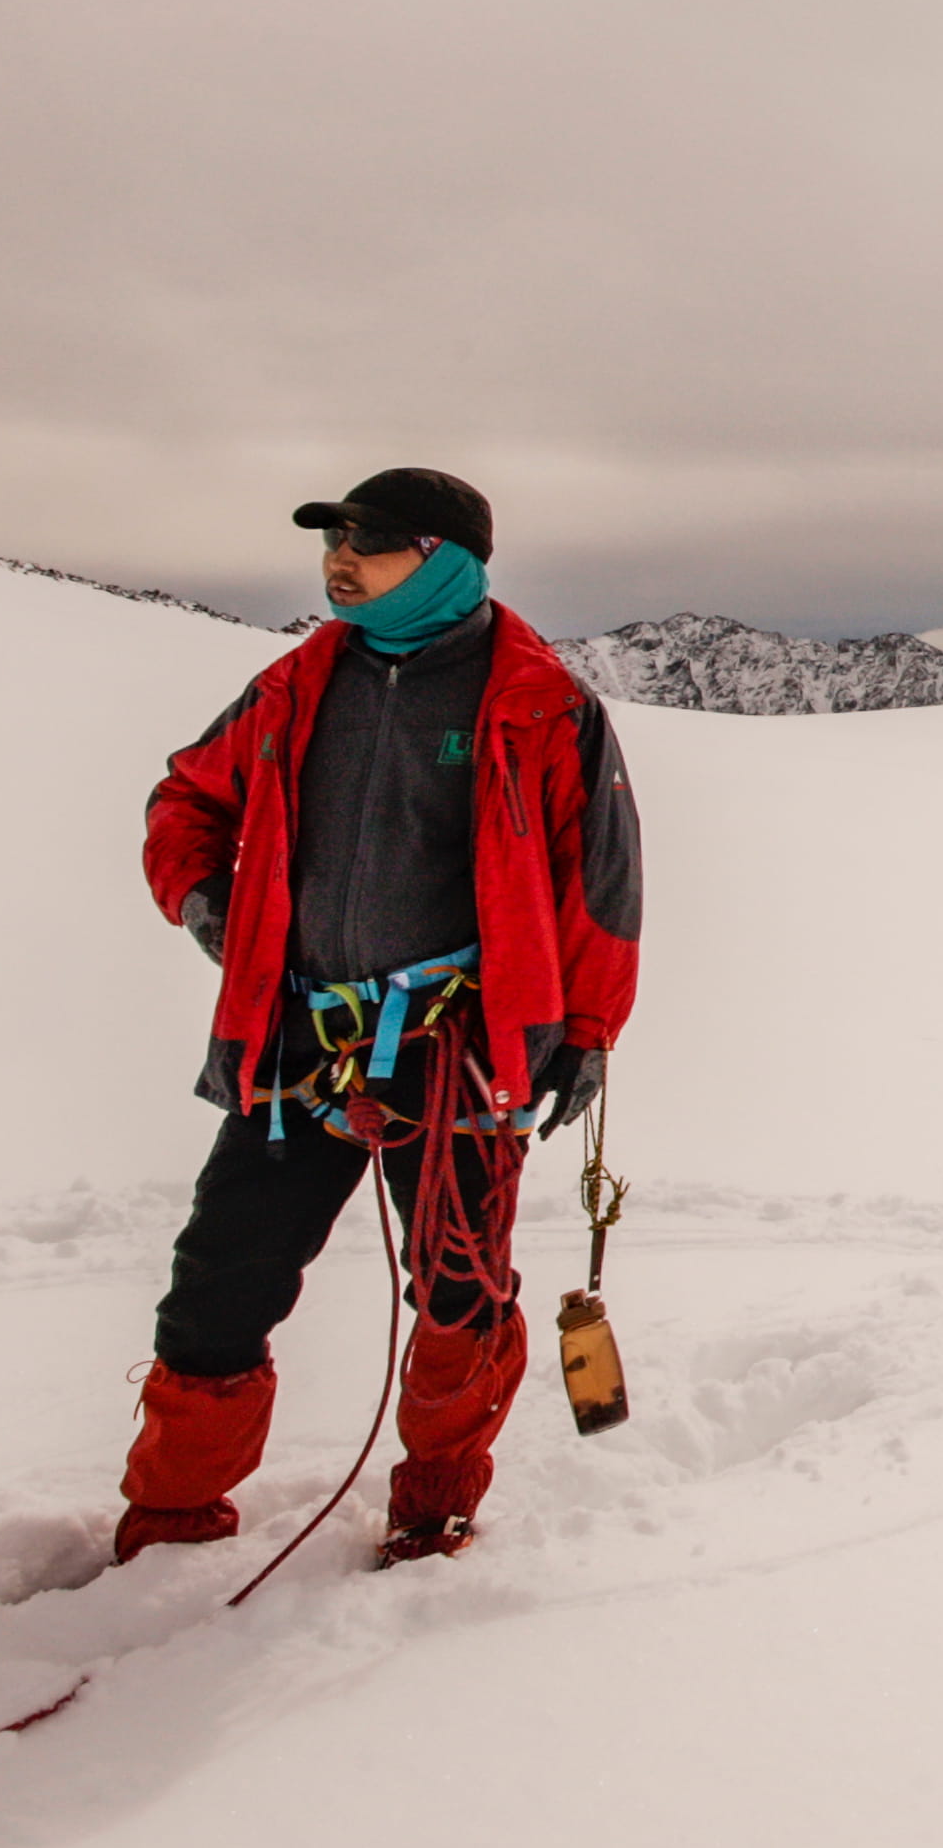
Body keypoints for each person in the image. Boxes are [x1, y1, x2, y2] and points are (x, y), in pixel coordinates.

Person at [110, 468, 644, 1569]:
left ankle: (435, 1510)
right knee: (220, 1282)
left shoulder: (539, 702)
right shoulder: (300, 680)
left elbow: (600, 884)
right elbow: (189, 797)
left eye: (373, 541)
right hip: (300, 1039)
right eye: (336, 539)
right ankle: (169, 1522)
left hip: (463, 1047)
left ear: (448, 560)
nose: (340, 560)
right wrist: (204, 899)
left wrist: (587, 1032)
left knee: (459, 1295)